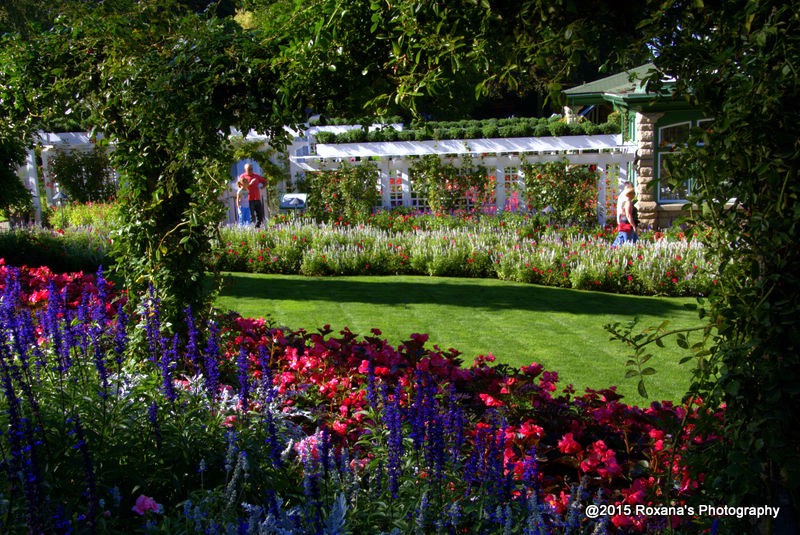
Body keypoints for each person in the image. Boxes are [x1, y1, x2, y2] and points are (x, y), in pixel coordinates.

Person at [237, 163, 267, 228]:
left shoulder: (256, 176)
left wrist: (262, 187)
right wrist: (250, 184)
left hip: (257, 198)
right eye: (249, 169)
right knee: (251, 216)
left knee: (260, 215)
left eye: (251, 169)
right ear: (245, 170)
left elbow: (264, 181)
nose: (251, 170)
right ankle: (250, 229)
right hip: (248, 199)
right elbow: (240, 187)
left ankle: (258, 228)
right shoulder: (243, 177)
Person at [612, 181, 638, 246]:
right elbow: (628, 215)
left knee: (620, 240)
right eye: (633, 193)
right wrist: (633, 225)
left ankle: (612, 249)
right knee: (628, 242)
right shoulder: (628, 202)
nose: (634, 194)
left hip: (623, 224)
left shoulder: (626, 201)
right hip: (627, 225)